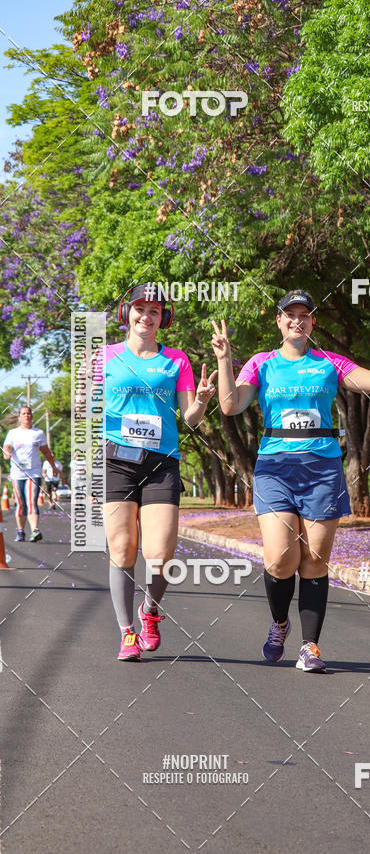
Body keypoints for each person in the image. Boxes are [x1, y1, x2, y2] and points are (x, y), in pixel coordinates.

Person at [212, 289, 370, 672]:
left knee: (315, 556)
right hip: (275, 467)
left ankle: (310, 646)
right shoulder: (262, 364)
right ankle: (279, 623)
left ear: (313, 322)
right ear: (279, 322)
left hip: (321, 467)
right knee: (281, 557)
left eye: (304, 314)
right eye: (290, 315)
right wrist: (224, 361)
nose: (297, 320)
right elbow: (231, 405)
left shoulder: (330, 363)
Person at [102, 283, 216, 661]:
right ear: (126, 313)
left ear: (163, 318)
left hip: (161, 462)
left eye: (154, 311)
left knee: (160, 553)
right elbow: (85, 413)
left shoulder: (176, 361)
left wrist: (200, 400)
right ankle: (126, 633)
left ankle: (150, 610)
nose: (145, 316)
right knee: (122, 548)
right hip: (116, 460)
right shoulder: (104, 358)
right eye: (139, 309)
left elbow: (190, 418)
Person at [2, 405, 59, 542]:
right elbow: (6, 447)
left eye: (29, 413)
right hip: (17, 473)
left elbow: (46, 451)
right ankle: (21, 531)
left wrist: (53, 467)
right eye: (24, 413)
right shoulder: (13, 433)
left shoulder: (38, 433)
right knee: (21, 503)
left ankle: (35, 530)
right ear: (19, 417)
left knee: (32, 501)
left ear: (31, 416)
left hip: (33, 472)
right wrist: (7, 452)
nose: (27, 416)